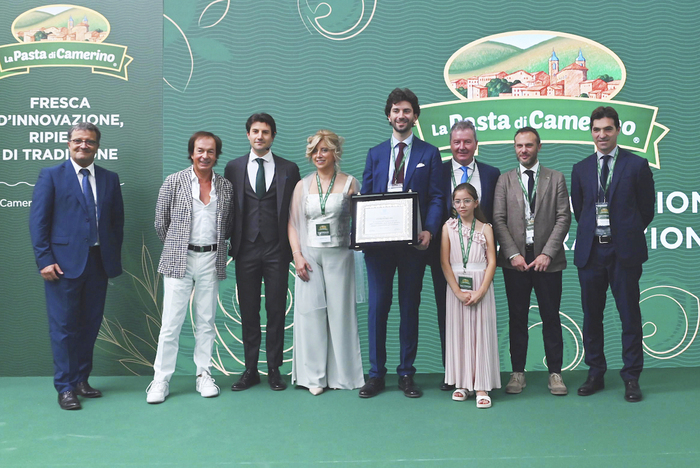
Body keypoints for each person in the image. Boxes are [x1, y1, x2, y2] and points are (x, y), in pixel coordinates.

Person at [29, 123, 124, 410]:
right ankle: (65, 387)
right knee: (64, 327)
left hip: (98, 264)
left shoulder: (109, 178)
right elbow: (38, 222)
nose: (84, 146)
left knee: (89, 325)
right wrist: (44, 259)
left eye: (90, 142)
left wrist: (111, 257)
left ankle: (82, 379)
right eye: (78, 141)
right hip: (62, 266)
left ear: (97, 146)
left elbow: (116, 223)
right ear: (68, 143)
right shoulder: (51, 176)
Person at [359, 88, 444, 398]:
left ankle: (407, 373)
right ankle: (375, 374)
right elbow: (365, 198)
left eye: (407, 111)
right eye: (396, 110)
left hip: (415, 245)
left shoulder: (429, 153)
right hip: (378, 246)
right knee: (378, 308)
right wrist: (362, 234)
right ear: (389, 115)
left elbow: (437, 197)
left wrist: (430, 231)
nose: (401, 116)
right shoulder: (375, 153)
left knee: (410, 308)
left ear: (415, 116)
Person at [571, 106, 655, 402]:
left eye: (607, 129)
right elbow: (580, 209)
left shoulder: (636, 165)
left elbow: (647, 210)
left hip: (624, 254)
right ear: (591, 132)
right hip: (591, 253)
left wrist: (625, 234)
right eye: (596, 129)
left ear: (617, 129)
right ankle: (595, 372)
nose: (602, 134)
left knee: (630, 316)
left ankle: (631, 377)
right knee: (591, 317)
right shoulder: (581, 168)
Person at [145, 132, 234, 404]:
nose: (204, 155)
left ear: (217, 155)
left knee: (206, 321)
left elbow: (227, 225)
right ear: (191, 153)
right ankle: (161, 379)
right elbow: (161, 223)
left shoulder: (226, 187)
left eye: (210, 151)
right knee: (171, 323)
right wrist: (178, 246)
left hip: (211, 258)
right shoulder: (174, 181)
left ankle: (203, 374)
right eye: (199, 150)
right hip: (179, 258)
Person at [224, 113, 301, 391]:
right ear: (248, 135)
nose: (260, 136)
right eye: (255, 131)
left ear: (272, 136)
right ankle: (249, 369)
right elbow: (228, 209)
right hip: (245, 249)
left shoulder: (288, 168)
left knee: (276, 310)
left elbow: (296, 213)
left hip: (277, 250)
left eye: (265, 132)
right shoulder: (233, 167)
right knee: (249, 311)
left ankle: (273, 369)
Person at [492, 127, 571, 396]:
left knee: (551, 317)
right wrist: (512, 254)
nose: (523, 150)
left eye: (528, 145)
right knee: (517, 318)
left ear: (539, 146)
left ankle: (556, 374)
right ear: (514, 148)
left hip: (548, 260)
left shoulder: (556, 178)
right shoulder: (504, 181)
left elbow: (563, 218)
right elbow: (498, 220)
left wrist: (547, 253)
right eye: (518, 146)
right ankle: (517, 373)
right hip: (516, 261)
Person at [288, 130, 365, 395]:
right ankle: (314, 378)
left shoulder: (351, 183)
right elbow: (293, 224)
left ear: (335, 153)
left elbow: (364, 223)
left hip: (340, 255)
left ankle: (344, 376)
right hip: (309, 256)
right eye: (315, 151)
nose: (319, 155)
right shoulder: (302, 185)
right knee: (311, 316)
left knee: (341, 316)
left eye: (325, 150)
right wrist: (297, 255)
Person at [426, 119, 500, 391]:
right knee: (450, 315)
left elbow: (496, 216)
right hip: (447, 258)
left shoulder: (492, 173)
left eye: (467, 141)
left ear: (476, 145)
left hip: (479, 260)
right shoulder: (438, 171)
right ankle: (455, 375)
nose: (462, 147)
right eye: (457, 142)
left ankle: (480, 375)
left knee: (481, 318)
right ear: (450, 145)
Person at [440, 183, 499, 408]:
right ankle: (462, 383)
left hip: (480, 286)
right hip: (457, 288)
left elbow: (492, 261)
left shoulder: (486, 229)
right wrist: (456, 290)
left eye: (466, 200)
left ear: (476, 202)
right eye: (457, 201)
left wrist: (482, 289)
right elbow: (444, 261)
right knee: (459, 333)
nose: (462, 205)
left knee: (480, 333)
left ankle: (481, 385)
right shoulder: (448, 228)